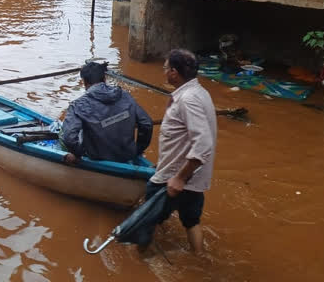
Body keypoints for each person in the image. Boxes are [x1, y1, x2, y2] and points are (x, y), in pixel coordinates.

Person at [147, 49, 217, 254]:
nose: (164, 72)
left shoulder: (188, 100)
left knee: (147, 219)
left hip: (173, 179)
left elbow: (203, 144)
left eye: (165, 68)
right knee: (191, 222)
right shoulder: (200, 93)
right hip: (192, 179)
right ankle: (199, 259)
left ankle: (143, 263)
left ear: (174, 73)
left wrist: (179, 178)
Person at [61, 62, 153, 163]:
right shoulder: (125, 95)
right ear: (104, 79)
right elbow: (146, 124)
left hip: (96, 157)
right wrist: (137, 150)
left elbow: (69, 137)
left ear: (84, 83)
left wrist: (79, 154)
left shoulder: (77, 105)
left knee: (64, 132)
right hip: (127, 154)